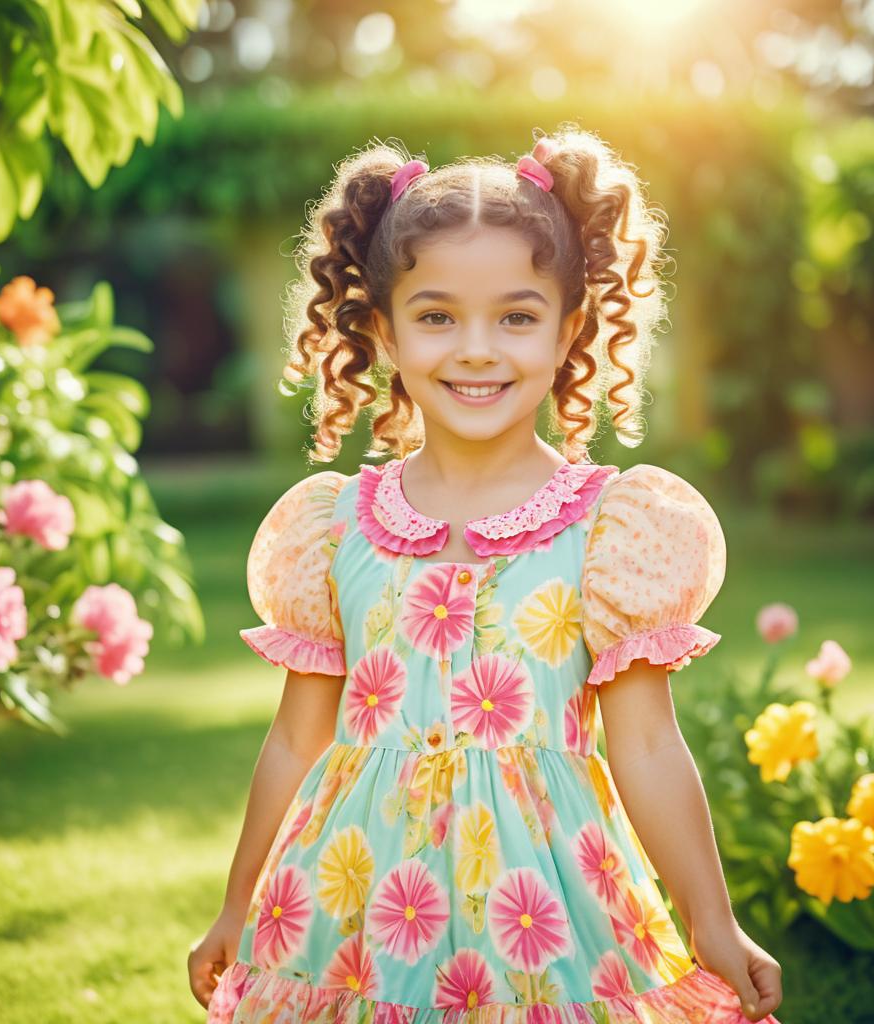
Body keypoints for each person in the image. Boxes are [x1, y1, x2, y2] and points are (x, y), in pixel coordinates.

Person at [188, 127, 784, 1023]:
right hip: (352, 910)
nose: (476, 349)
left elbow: (650, 746)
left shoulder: (608, 528)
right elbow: (294, 741)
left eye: (515, 316)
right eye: (436, 317)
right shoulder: (334, 526)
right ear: (384, 334)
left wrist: (712, 919)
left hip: (542, 915)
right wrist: (237, 907)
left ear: (567, 330)